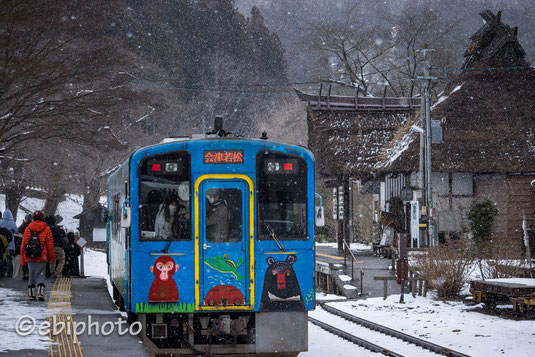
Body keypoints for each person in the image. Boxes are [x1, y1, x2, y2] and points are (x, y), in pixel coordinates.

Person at [21, 210, 55, 301]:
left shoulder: (28, 228)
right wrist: (52, 257)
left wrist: (23, 259)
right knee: (41, 274)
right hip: (42, 256)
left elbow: (23, 244)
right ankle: (40, 293)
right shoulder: (46, 228)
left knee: (31, 274)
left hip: (29, 255)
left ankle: (31, 294)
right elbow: (50, 244)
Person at [0, 210, 18, 277]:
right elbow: (16, 231)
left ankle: (2, 272)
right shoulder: (12, 223)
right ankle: (9, 273)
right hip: (10, 244)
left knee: (2, 258)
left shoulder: (0, 222)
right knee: (9, 258)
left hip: (2, 244)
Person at [18, 214, 32, 280]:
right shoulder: (32, 225)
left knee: (24, 258)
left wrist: (23, 224)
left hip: (25, 242)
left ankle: (26, 272)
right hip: (30, 243)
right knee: (28, 258)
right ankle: (28, 272)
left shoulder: (26, 225)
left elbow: (19, 230)